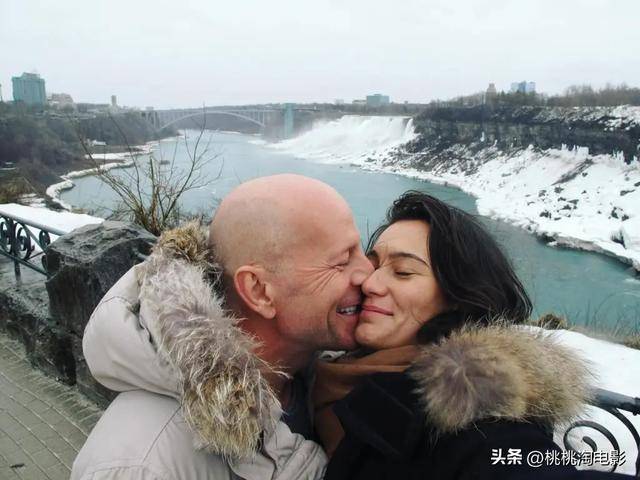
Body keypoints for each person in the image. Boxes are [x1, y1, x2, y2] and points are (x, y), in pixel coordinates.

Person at [71, 174, 373, 480]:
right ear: (259, 291)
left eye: (363, 251)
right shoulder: (141, 466)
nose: (369, 273)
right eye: (342, 261)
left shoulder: (320, 379)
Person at [314, 191, 628, 480]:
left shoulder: (473, 407)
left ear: (457, 297)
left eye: (403, 272)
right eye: (373, 266)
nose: (370, 284)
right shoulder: (327, 371)